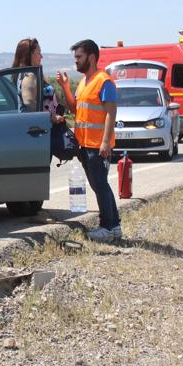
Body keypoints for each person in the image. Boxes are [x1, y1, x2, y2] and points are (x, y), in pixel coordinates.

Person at [57, 38, 121, 242]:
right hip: (84, 144)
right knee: (99, 185)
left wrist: (104, 142)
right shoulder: (84, 82)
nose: (76, 61)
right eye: (75, 57)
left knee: (100, 185)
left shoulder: (104, 81)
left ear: (91, 57)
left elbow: (111, 112)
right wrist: (66, 87)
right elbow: (75, 108)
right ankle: (114, 226)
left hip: (97, 145)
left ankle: (107, 227)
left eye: (79, 57)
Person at [12, 38, 72, 159]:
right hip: (34, 133)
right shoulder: (29, 76)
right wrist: (52, 117)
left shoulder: (33, 74)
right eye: (38, 52)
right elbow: (31, 104)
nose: (41, 56)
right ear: (28, 55)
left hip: (39, 132)